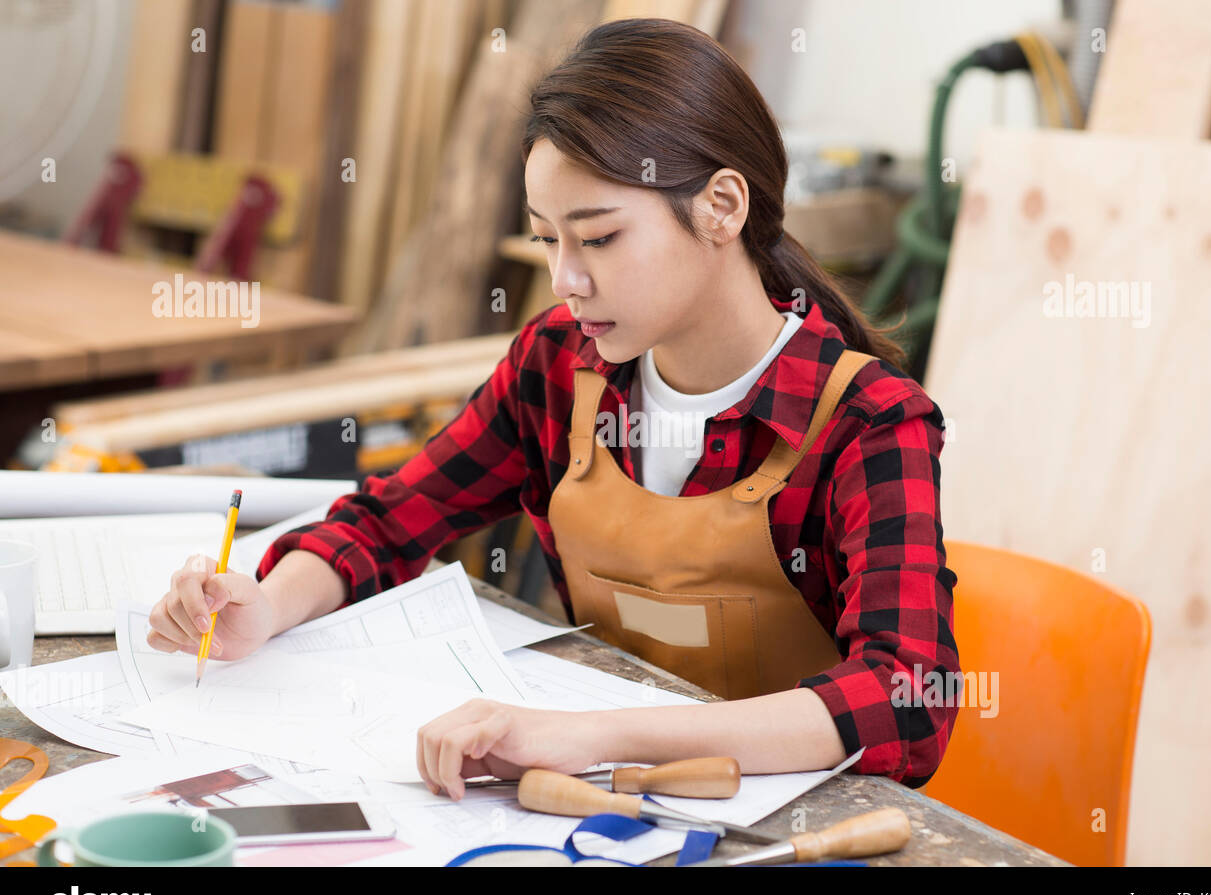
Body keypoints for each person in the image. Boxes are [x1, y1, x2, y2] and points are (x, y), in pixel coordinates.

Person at [146, 18, 959, 801]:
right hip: (606, 809)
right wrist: (265, 607)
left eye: (599, 238)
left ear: (722, 207)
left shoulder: (871, 426)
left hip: (790, 821)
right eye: (545, 240)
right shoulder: (559, 366)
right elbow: (388, 521)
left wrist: (598, 736)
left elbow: (906, 699)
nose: (566, 279)